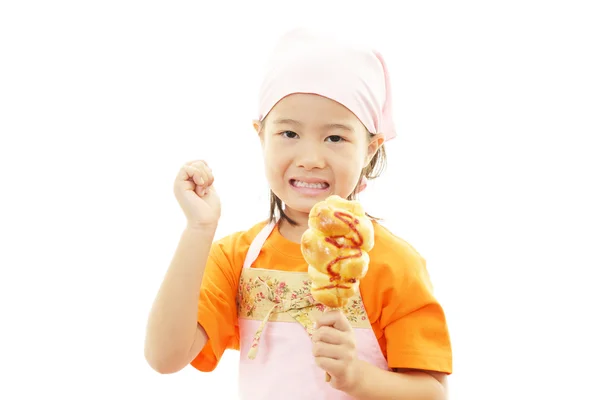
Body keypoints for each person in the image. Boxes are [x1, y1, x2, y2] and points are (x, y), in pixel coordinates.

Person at [144, 28, 453, 400]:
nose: (310, 158)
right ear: (261, 135)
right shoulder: (237, 258)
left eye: (335, 137)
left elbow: (432, 392)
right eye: (289, 133)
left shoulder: (392, 263)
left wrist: (356, 377)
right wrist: (199, 227)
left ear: (370, 149)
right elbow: (164, 357)